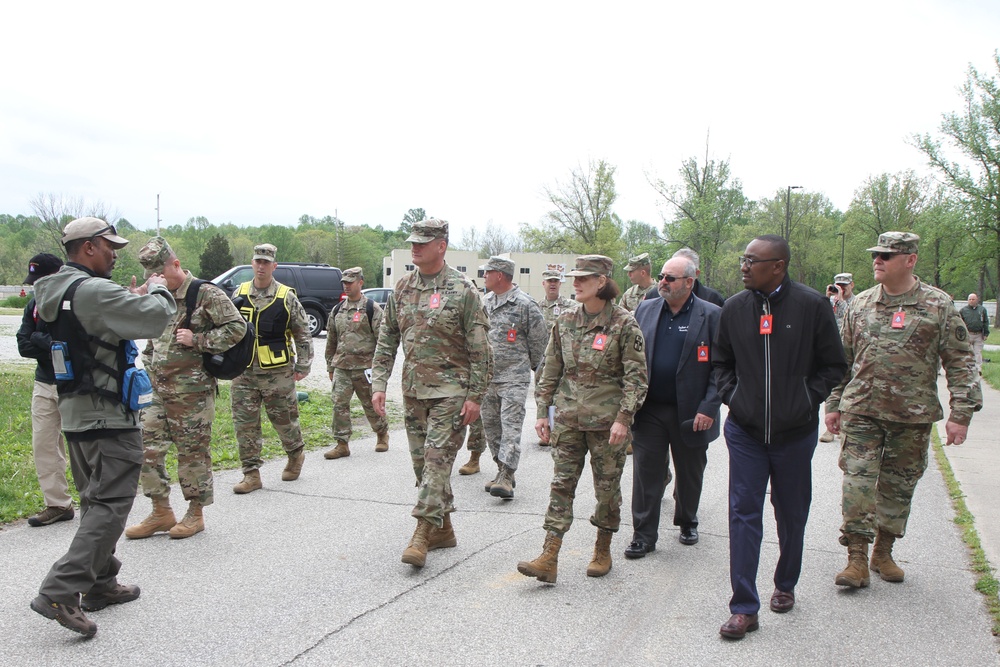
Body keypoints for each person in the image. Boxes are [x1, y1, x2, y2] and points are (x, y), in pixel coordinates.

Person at [30, 217, 175, 638]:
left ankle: (100, 583)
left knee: (97, 502)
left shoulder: (56, 288)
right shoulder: (93, 290)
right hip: (108, 415)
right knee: (111, 504)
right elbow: (154, 318)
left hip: (76, 415)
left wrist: (122, 301)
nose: (115, 254)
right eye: (109, 246)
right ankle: (60, 590)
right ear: (88, 247)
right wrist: (158, 286)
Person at [826, 232, 982, 589]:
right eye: (875, 255)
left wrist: (961, 414)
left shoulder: (938, 305)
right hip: (862, 411)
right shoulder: (861, 304)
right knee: (857, 484)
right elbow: (842, 362)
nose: (877, 260)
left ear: (910, 260)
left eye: (886, 255)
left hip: (912, 417)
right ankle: (856, 559)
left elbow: (961, 363)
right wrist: (833, 405)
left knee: (898, 487)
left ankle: (883, 551)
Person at [713, 235, 847, 639]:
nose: (743, 266)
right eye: (743, 259)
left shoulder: (812, 306)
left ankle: (785, 583)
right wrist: (733, 397)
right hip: (746, 431)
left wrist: (807, 399)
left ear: (778, 265)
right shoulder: (734, 309)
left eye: (752, 260)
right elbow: (721, 363)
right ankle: (744, 607)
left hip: (794, 433)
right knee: (742, 512)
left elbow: (833, 364)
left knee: (791, 511)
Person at [517, 255, 647, 583]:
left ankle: (602, 548)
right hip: (569, 420)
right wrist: (543, 412)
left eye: (582, 278)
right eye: (573, 278)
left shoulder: (623, 323)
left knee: (606, 490)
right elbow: (549, 370)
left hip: (607, 425)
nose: (575, 283)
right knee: (561, 486)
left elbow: (636, 378)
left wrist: (624, 418)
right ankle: (549, 555)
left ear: (601, 282)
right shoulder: (566, 321)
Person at [371, 219, 490, 568]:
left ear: (442, 245)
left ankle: (421, 533)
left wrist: (476, 396)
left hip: (452, 391)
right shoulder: (403, 287)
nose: (415, 247)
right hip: (413, 391)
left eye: (424, 242)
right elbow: (388, 337)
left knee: (437, 463)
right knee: (423, 466)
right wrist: (379, 384)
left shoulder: (463, 289)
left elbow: (481, 349)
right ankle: (444, 528)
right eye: (413, 242)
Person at [124, 237, 246, 540]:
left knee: (192, 453)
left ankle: (195, 513)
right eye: (153, 276)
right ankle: (161, 512)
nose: (157, 280)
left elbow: (237, 328)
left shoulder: (205, 293)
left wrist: (199, 341)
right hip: (158, 391)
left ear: (176, 264)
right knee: (146, 450)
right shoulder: (158, 295)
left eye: (161, 274)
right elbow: (153, 337)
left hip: (192, 392)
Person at [626, 255, 721, 559]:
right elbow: (632, 357)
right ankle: (643, 535)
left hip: (693, 412)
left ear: (689, 282)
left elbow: (723, 368)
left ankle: (687, 520)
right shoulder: (646, 308)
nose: (662, 283)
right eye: (662, 276)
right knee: (646, 473)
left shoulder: (713, 315)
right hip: (651, 408)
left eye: (670, 278)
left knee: (690, 472)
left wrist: (708, 407)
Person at [230, 243, 313, 494]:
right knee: (244, 423)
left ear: (274, 266)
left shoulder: (286, 296)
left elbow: (303, 333)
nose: (261, 266)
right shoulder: (240, 293)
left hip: (277, 372)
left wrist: (303, 364)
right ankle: (251, 473)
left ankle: (295, 454)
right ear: (252, 264)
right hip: (243, 371)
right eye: (257, 261)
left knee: (284, 419)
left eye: (266, 262)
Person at [478, 256, 548, 499]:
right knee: (491, 429)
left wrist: (536, 376)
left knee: (510, 429)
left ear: (499, 275)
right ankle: (501, 469)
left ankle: (507, 475)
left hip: (514, 378)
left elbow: (540, 345)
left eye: (487, 272)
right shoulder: (484, 301)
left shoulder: (525, 305)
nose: (483, 276)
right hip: (488, 379)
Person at [16, 253, 73, 527]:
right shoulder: (34, 305)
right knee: (44, 445)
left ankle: (100, 501)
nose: (38, 285)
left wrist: (43, 341)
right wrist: (46, 343)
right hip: (44, 382)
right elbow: (23, 345)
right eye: (34, 281)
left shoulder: (73, 301)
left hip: (73, 383)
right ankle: (58, 504)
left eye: (42, 280)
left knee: (83, 446)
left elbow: (73, 345)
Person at [323, 266, 389, 460]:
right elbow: (331, 340)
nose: (347, 286)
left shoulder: (371, 308)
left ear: (360, 282)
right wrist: (330, 366)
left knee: (370, 404)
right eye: (344, 283)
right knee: (339, 405)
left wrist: (379, 369)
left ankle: (382, 433)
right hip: (342, 366)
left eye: (350, 282)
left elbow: (383, 340)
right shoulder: (337, 310)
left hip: (365, 367)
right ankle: (342, 443)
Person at [533, 268, 576, 448]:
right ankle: (546, 428)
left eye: (555, 281)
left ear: (560, 284)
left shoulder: (570, 306)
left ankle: (559, 430)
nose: (552, 284)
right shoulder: (536, 306)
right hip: (542, 359)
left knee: (559, 394)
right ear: (543, 284)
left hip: (561, 359)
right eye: (549, 281)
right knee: (542, 394)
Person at [819, 272, 856, 443]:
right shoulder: (830, 302)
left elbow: (847, 319)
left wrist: (841, 301)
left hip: (850, 352)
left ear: (851, 285)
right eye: (837, 285)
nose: (840, 289)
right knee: (832, 388)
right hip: (833, 351)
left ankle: (845, 425)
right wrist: (827, 300)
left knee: (848, 389)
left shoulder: (856, 302)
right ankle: (829, 428)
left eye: (844, 285)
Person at [960, 292, 990, 374]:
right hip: (968, 334)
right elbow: (959, 323)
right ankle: (968, 368)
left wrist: (986, 333)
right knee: (968, 352)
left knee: (978, 352)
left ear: (976, 300)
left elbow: (985, 322)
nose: (971, 301)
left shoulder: (982, 310)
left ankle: (978, 368)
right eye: (970, 299)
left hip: (978, 334)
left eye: (973, 299)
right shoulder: (963, 310)